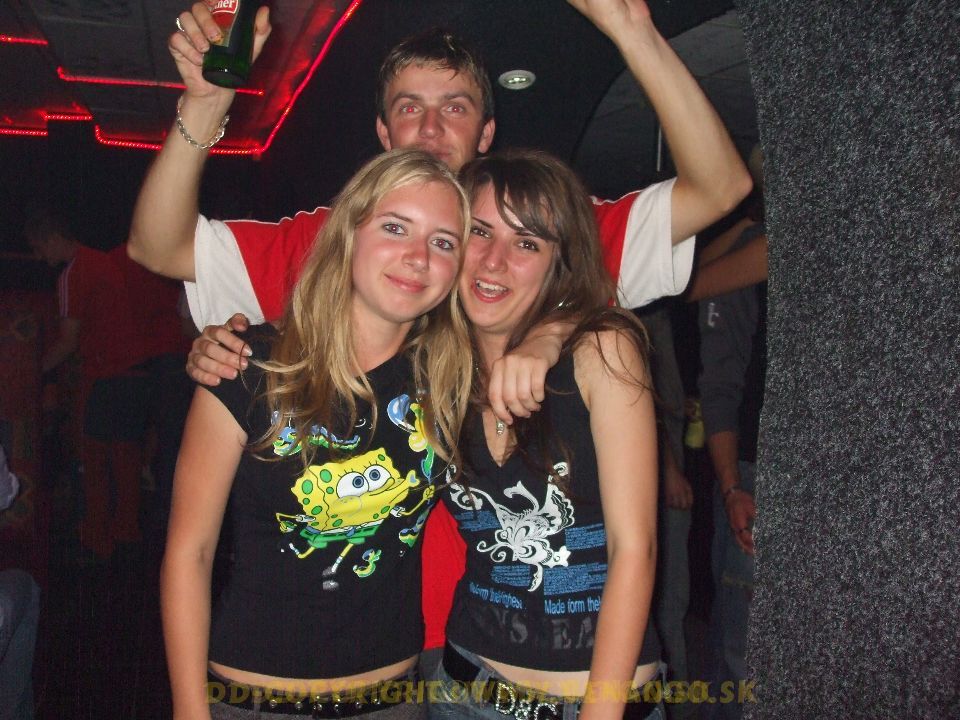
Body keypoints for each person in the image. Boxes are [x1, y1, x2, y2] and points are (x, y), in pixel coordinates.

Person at [136, 0, 750, 664]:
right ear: (383, 130)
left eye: (455, 107)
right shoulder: (344, 242)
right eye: (410, 107)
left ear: (486, 132)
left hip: (507, 635)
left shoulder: (528, 238)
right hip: (375, 641)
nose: (431, 128)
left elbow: (719, 186)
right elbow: (158, 247)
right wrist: (204, 107)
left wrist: (632, 29)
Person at [161, 148, 474, 719]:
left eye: (444, 241)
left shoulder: (454, 379)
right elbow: (190, 553)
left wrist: (547, 340)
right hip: (256, 701)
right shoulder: (246, 365)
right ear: (349, 233)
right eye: (395, 227)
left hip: (393, 700)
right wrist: (188, 707)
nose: (418, 256)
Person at [431, 149, 662, 720]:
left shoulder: (602, 351)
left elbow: (635, 550)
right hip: (464, 688)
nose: (493, 260)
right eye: (480, 231)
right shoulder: (433, 367)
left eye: (527, 243)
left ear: (559, 262)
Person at [26, 215, 152, 562]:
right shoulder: (104, 261)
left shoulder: (73, 273)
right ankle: (126, 531)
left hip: (107, 374)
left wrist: (31, 374)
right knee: (126, 456)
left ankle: (96, 537)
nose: (39, 257)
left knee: (93, 458)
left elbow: (68, 342)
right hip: (137, 371)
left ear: (52, 237)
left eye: (38, 248)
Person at [697, 212, 766, 720]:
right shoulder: (759, 245)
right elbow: (683, 284)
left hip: (841, 478)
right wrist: (732, 486)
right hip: (755, 474)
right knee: (741, 654)